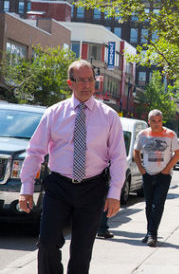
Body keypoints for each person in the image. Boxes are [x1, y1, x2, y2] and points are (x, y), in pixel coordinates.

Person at [19, 59, 127, 274]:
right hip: (58, 187)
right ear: (70, 83)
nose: (86, 85)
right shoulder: (54, 113)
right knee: (47, 244)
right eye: (81, 81)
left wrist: (114, 193)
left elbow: (118, 157)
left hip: (93, 188)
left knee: (81, 250)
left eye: (90, 80)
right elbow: (35, 152)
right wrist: (26, 189)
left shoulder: (109, 117)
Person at [134, 109, 179, 247]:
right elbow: (136, 152)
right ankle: (150, 232)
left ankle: (152, 235)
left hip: (163, 175)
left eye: (159, 120)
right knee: (149, 205)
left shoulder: (170, 134)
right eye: (153, 121)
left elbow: (177, 153)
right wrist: (141, 169)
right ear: (149, 121)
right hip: (147, 174)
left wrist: (167, 169)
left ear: (162, 121)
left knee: (157, 205)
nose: (157, 123)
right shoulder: (142, 135)